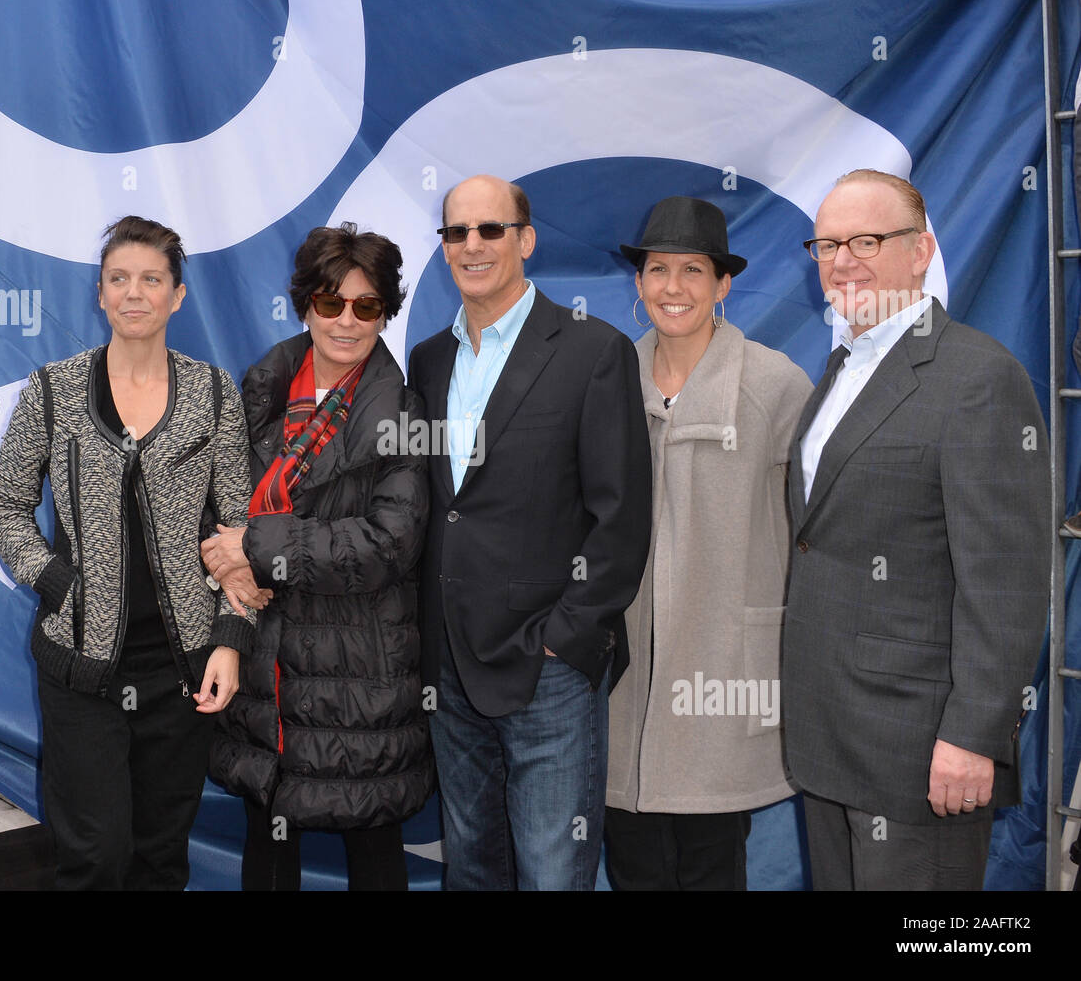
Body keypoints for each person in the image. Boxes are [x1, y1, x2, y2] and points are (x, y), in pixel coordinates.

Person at [782, 169, 1051, 890]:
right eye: (827, 244)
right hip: (829, 734)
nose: (842, 261)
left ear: (921, 249)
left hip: (918, 749)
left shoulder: (978, 378)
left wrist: (973, 736)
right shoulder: (843, 367)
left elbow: (1007, 583)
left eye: (866, 239)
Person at [0, 215, 257, 889]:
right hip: (82, 670)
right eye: (119, 279)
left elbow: (243, 528)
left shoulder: (216, 395)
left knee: (160, 859)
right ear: (101, 294)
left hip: (182, 672)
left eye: (151, 280)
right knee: (97, 858)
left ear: (177, 296)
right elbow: (3, 505)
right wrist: (55, 580)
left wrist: (229, 638)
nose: (135, 293)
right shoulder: (52, 390)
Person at [406, 174, 651, 890]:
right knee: (473, 866)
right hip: (450, 667)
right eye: (457, 232)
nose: (472, 245)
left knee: (551, 872)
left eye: (491, 229)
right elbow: (439, 507)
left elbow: (622, 517)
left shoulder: (593, 351)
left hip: (547, 670)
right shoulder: (429, 361)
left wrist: (563, 638)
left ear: (526, 240)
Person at [204, 222, 433, 891]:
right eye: (332, 302)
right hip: (266, 664)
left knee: (373, 847)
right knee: (268, 843)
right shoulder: (261, 392)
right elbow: (218, 514)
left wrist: (255, 546)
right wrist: (232, 562)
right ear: (306, 302)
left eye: (366, 306)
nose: (346, 321)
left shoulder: (404, 412)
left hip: (358, 675)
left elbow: (388, 544)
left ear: (385, 312)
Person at [603, 196, 812, 890]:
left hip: (720, 680)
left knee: (711, 865)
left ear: (723, 284)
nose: (672, 288)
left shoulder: (775, 384)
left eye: (693, 270)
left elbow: (813, 530)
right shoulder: (606, 383)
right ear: (638, 283)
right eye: (658, 270)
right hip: (621, 685)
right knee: (633, 861)